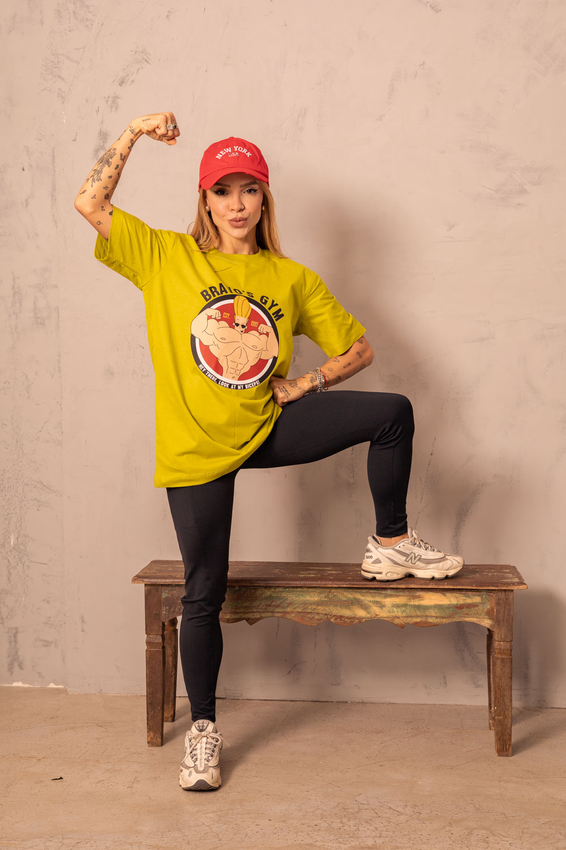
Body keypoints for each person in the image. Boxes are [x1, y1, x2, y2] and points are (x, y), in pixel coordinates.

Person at [74, 112, 464, 792]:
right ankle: (204, 731)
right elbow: (90, 203)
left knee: (392, 413)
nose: (236, 205)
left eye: (248, 189)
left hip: (265, 424)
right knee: (204, 590)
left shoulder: (290, 278)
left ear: (264, 199)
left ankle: (390, 543)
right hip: (197, 444)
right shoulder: (166, 255)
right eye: (222, 191)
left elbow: (359, 349)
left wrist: (307, 383)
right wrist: (134, 132)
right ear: (205, 200)